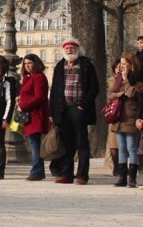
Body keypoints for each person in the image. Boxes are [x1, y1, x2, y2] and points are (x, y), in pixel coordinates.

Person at [48, 37, 99, 185]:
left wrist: (83, 105)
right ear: (63, 50)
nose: (70, 50)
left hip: (78, 108)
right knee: (66, 143)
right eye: (67, 48)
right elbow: (55, 91)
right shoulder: (59, 66)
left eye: (72, 48)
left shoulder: (86, 65)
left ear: (78, 49)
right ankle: (66, 174)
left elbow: (94, 87)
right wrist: (51, 112)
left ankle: (82, 175)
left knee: (81, 142)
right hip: (62, 110)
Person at [108, 52, 141, 187]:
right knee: (121, 148)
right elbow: (110, 95)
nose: (121, 67)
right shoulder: (117, 78)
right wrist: (121, 94)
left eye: (124, 64)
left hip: (131, 116)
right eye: (120, 64)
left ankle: (132, 178)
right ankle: (122, 176)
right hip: (118, 117)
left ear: (131, 64)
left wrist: (126, 78)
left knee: (131, 148)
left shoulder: (135, 77)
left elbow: (132, 93)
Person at [16, 54, 49, 181]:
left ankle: (37, 171)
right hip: (29, 115)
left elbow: (39, 97)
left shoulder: (39, 77)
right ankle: (37, 170)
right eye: (25, 64)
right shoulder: (29, 78)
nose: (27, 66)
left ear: (36, 63)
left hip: (35, 115)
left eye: (29, 63)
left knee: (35, 144)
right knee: (33, 143)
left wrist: (23, 105)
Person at [107, 60, 122, 176]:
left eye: (121, 66)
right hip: (114, 113)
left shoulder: (129, 80)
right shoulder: (112, 80)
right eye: (116, 67)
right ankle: (116, 167)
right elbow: (111, 96)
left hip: (126, 113)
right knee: (113, 143)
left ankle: (123, 167)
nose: (119, 69)